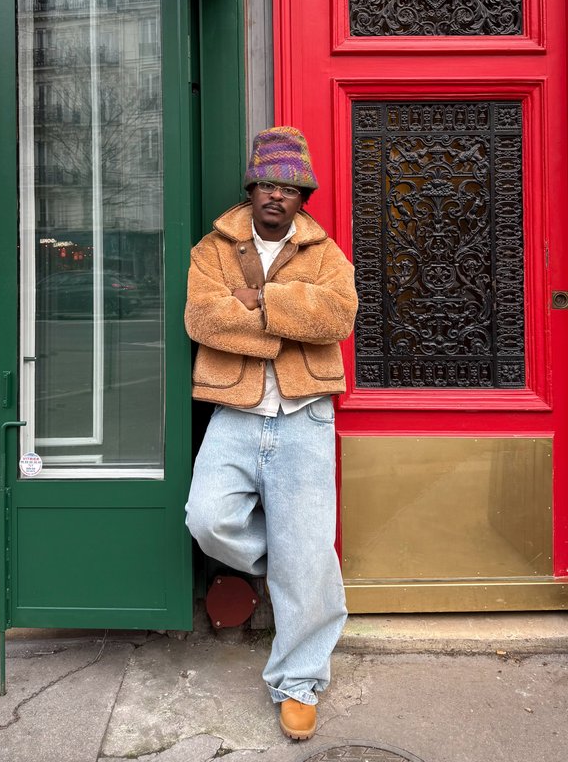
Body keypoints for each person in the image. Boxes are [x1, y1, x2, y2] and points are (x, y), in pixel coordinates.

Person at [184, 126, 358, 741]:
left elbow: (337, 315)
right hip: (235, 410)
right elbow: (204, 319)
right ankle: (298, 569)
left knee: (306, 551)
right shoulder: (215, 247)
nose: (276, 196)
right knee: (207, 519)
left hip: (305, 414)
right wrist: (289, 313)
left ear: (302, 196)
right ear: (251, 189)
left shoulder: (324, 250)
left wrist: (259, 301)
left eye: (289, 187)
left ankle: (300, 681)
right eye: (266, 184)